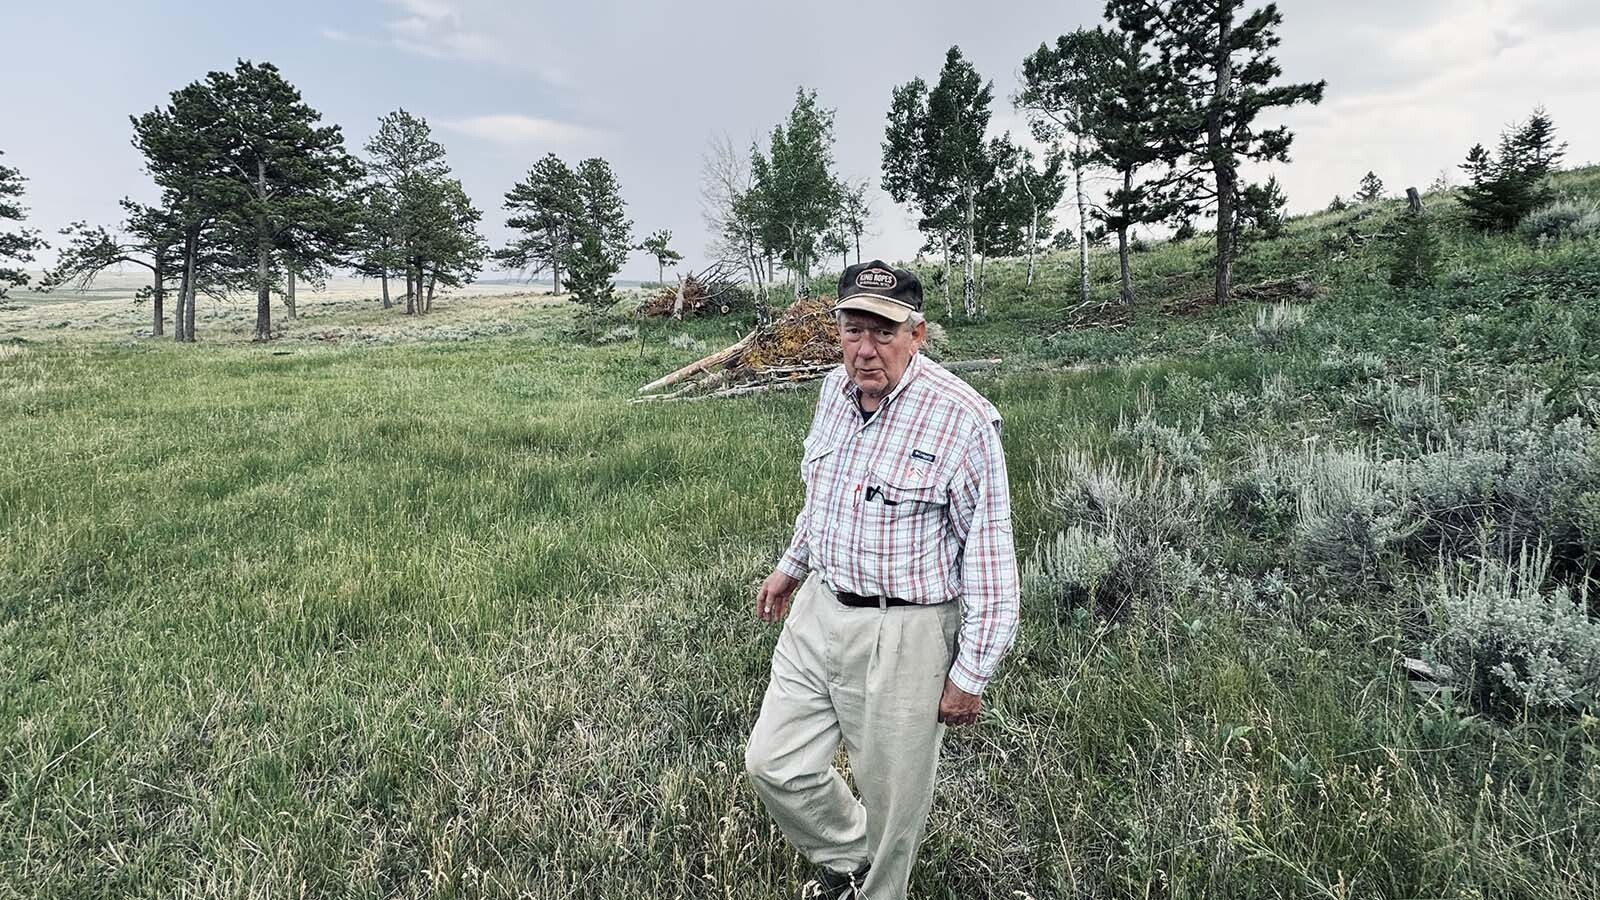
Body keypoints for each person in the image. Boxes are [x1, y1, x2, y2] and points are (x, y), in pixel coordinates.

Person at [744, 260, 1021, 899]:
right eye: (852, 330)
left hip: (908, 630)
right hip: (820, 609)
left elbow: (990, 555)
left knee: (893, 794)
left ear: (917, 334)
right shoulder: (832, 395)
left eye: (884, 332)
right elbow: (824, 497)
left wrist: (971, 672)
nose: (865, 350)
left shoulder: (964, 418)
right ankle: (853, 861)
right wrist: (793, 566)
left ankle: (880, 889)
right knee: (774, 763)